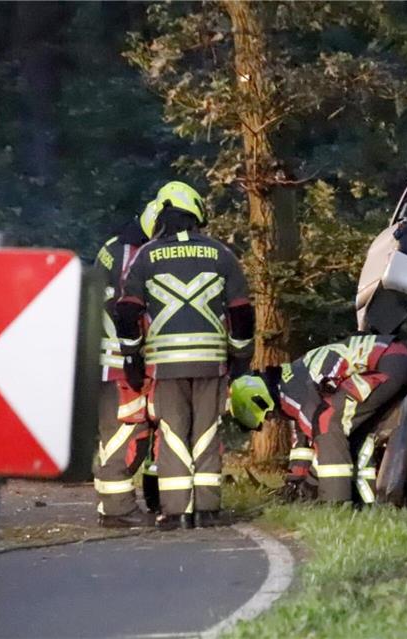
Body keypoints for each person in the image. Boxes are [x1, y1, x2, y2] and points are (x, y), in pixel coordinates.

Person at [116, 181, 254, 530]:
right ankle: (207, 510)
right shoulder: (222, 253)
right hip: (211, 361)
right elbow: (241, 313)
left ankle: (177, 510)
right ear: (195, 214)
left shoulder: (146, 255)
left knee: (173, 432)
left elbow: (128, 312)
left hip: (165, 364)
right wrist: (240, 359)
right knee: (206, 431)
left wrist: (132, 360)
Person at [230, 335, 407, 504]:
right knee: (356, 437)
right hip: (399, 362)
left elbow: (320, 433)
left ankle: (335, 503)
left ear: (260, 400)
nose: (272, 419)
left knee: (328, 422)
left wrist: (310, 484)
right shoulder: (291, 382)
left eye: (268, 415)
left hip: (386, 362)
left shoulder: (294, 392)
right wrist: (295, 481)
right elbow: (303, 438)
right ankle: (366, 504)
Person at [93, 200, 163, 528]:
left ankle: (113, 504)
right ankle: (118, 508)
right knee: (127, 432)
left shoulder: (114, 246)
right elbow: (131, 310)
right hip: (118, 362)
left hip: (107, 358)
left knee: (120, 433)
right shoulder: (130, 256)